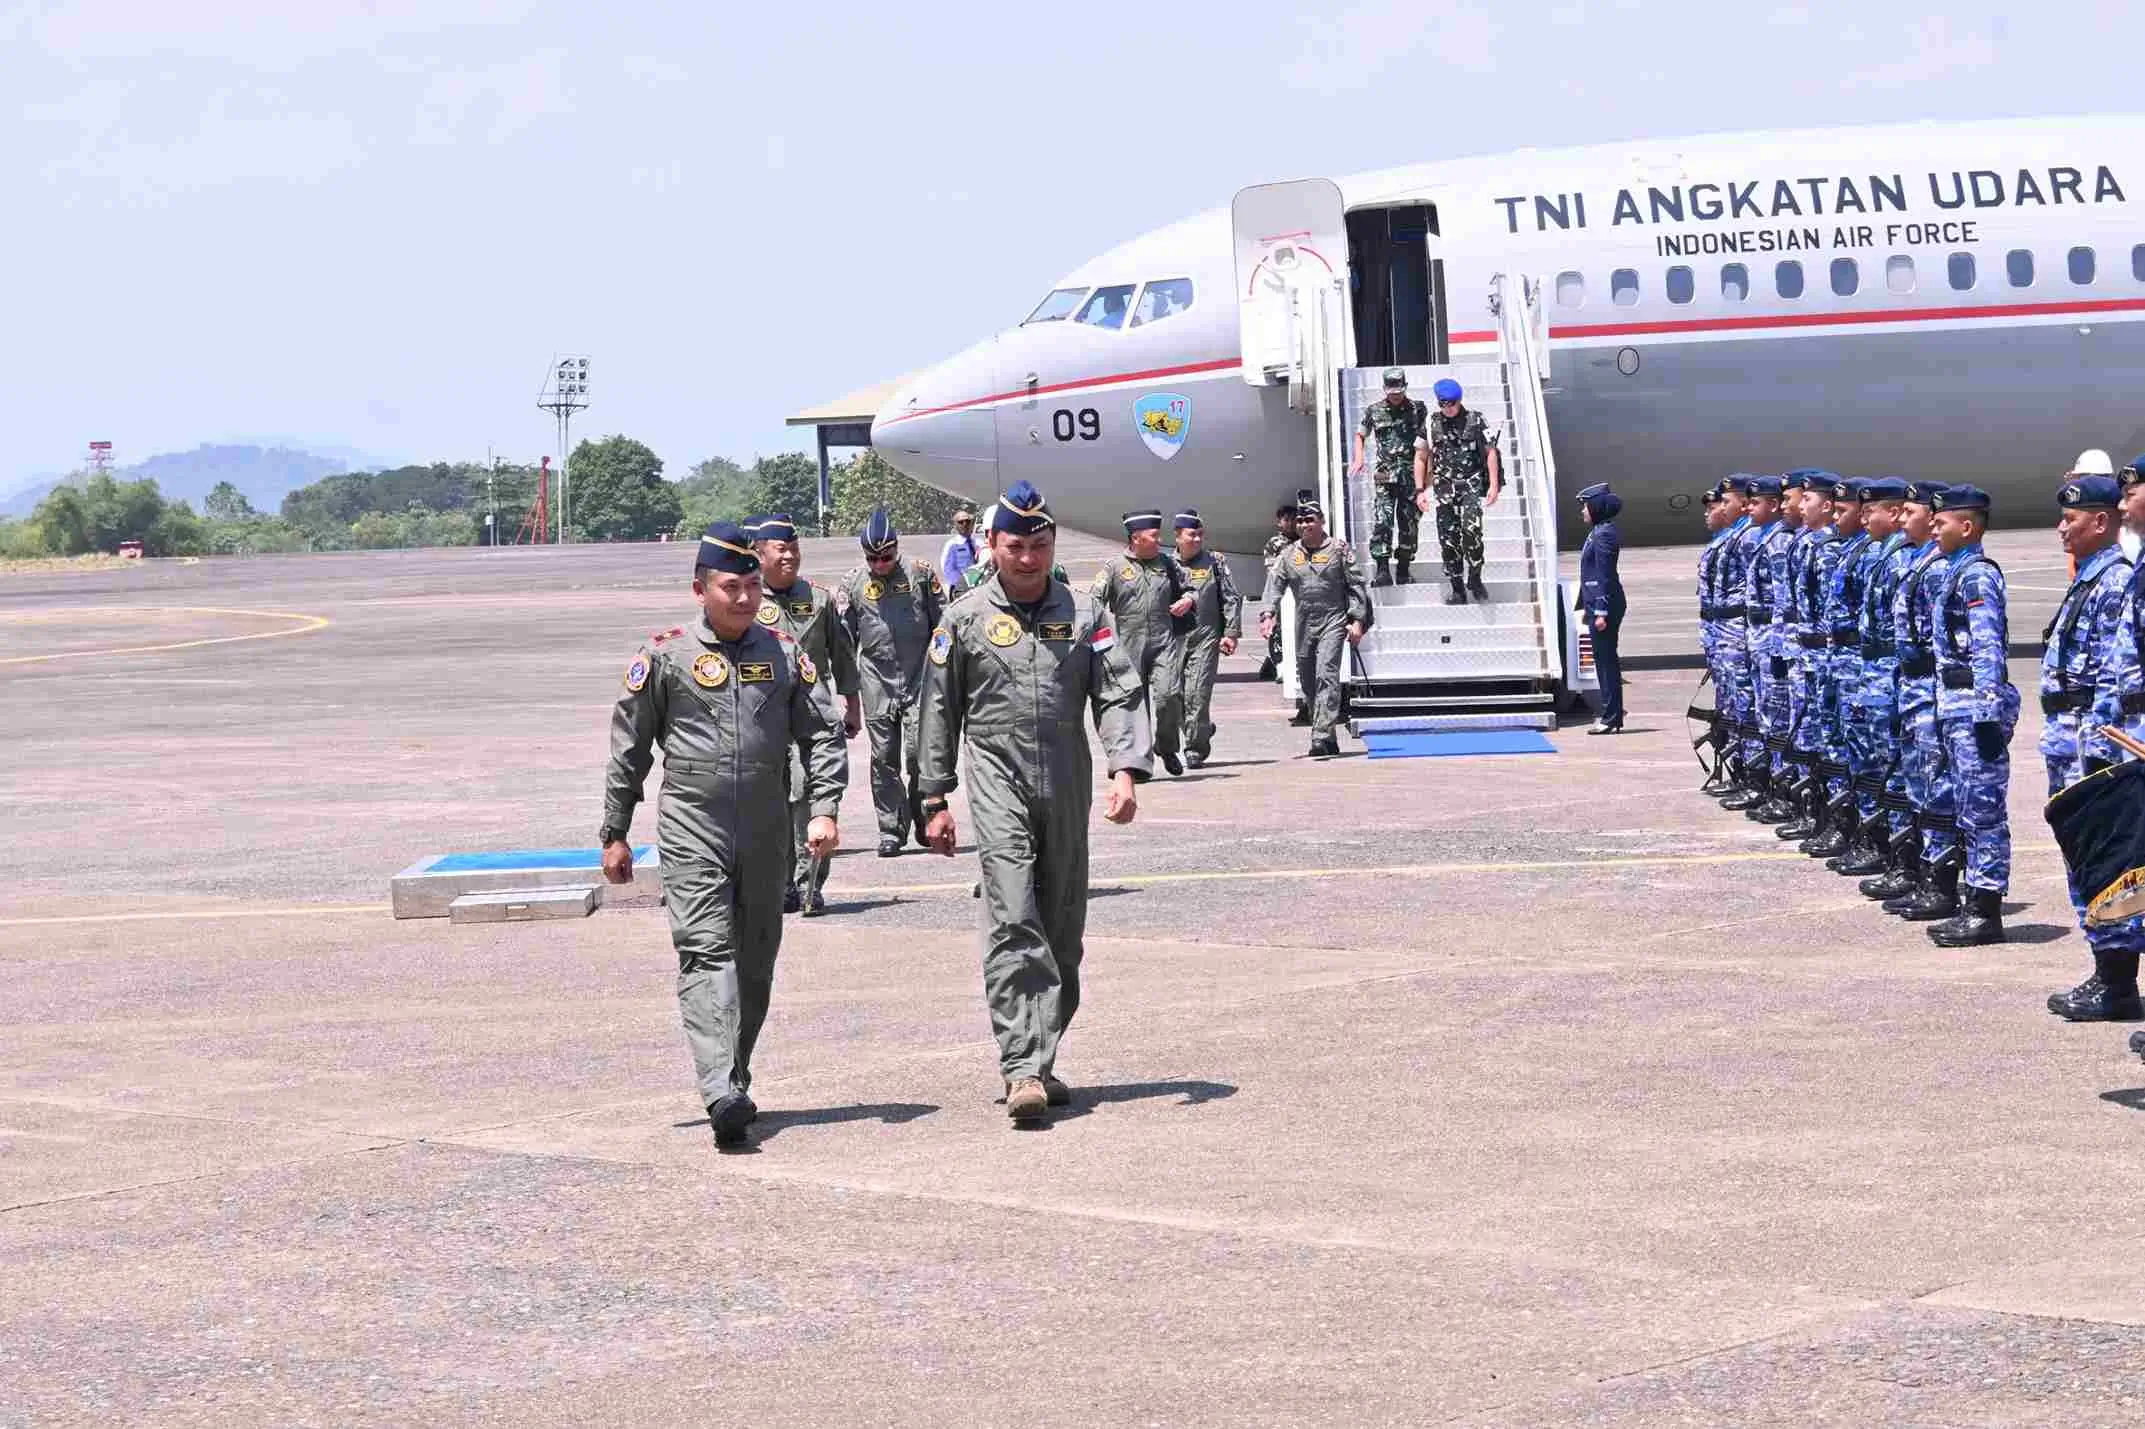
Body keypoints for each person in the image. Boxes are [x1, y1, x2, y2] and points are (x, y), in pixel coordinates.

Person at [599, 523, 848, 1147]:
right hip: (693, 823)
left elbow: (821, 733)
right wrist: (615, 830)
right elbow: (629, 750)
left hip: (766, 824)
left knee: (756, 959)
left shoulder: (785, 652)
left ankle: (733, 1074)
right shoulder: (665, 656)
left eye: (751, 586)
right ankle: (720, 1088)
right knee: (707, 950)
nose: (743, 599)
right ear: (699, 589)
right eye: (729, 587)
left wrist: (824, 809)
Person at [916, 480, 1152, 1122]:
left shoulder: (1084, 615)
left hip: (1067, 773)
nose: (1027, 559)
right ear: (991, 545)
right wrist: (934, 796)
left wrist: (1125, 770)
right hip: (996, 771)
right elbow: (938, 710)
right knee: (1014, 912)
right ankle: (1021, 1064)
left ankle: (1042, 1056)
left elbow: (1117, 692)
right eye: (1015, 546)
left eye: (1040, 546)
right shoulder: (962, 619)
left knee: (1063, 925)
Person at [2037, 475, 2141, 1019]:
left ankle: (2116, 980)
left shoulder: (2115, 581)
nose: (2061, 528)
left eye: (2070, 520)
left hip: (2092, 739)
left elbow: (2111, 674)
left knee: (2108, 859)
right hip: (2071, 734)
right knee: (2086, 856)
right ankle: (2107, 970)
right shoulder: (2092, 578)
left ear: (2099, 523)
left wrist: (2099, 748)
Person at [749, 514, 862, 915]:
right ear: (759, 555)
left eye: (794, 549)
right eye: (781, 550)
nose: (790, 557)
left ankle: (810, 885)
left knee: (815, 801)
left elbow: (842, 654)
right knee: (772, 803)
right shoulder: (747, 601)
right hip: (763, 718)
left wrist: (852, 703)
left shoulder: (818, 599)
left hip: (812, 716)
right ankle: (780, 886)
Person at [1924, 483, 2017, 946]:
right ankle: (1972, 902)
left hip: (1972, 710)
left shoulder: (1977, 575)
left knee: (1983, 812)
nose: (1933, 527)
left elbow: (1986, 651)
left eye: (1941, 522)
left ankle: (1986, 911)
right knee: (1964, 807)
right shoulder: (1955, 572)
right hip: (1953, 706)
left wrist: (1987, 717)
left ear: (1966, 525)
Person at [837, 507, 946, 857]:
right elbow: (843, 642)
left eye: (886, 557)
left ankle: (923, 821)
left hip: (918, 679)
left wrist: (946, 675)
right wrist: (847, 693)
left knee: (917, 756)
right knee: (884, 758)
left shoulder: (921, 575)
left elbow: (944, 628)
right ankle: (890, 831)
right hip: (876, 681)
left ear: (897, 550)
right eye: (873, 558)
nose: (880, 565)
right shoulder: (853, 583)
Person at [1865, 481, 1949, 911]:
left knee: (1938, 789)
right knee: (1908, 778)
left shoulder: (1944, 569)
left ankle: (1943, 883)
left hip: (1932, 693)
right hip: (1903, 683)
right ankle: (1911, 864)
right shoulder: (1908, 559)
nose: (1905, 520)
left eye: (1910, 512)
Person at [1258, 496, 1371, 758]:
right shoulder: (1289, 554)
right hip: (1304, 622)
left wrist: (1357, 621)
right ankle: (1328, 734)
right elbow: (1274, 585)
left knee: (1326, 674)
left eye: (1310, 519)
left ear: (1321, 522)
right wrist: (1268, 614)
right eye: (1300, 520)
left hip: (1333, 618)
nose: (1304, 524)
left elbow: (1357, 586)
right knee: (1307, 679)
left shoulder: (1338, 550)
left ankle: (1319, 734)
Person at [1091, 509, 1196, 774]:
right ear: (1136, 538)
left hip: (1164, 640)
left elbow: (1190, 588)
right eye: (1154, 536)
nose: (1159, 541)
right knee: (1135, 705)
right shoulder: (1114, 568)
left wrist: (1188, 600)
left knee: (1169, 695)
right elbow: (1094, 602)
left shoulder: (1168, 564)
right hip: (1128, 643)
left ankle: (1167, 746)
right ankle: (1139, 762)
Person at [1775, 471, 1841, 841]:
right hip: (1803, 652)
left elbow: (1832, 613)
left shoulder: (1828, 546)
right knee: (1805, 732)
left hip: (1820, 657)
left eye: (1805, 500)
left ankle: (1825, 817)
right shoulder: (1804, 541)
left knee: (1823, 737)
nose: (1798, 506)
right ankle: (1811, 809)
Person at [1720, 476, 1783, 813]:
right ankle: (1757, 779)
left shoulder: (1779, 540)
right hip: (1754, 636)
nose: (1746, 508)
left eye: (1753, 502)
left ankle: (1775, 788)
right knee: (1755, 709)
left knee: (1773, 715)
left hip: (1776, 642)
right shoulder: (1757, 538)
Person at [1166, 508, 1242, 767]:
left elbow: (1231, 597)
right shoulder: (1166, 565)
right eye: (1191, 535)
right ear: (1177, 536)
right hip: (1174, 640)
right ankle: (1200, 728)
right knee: (1173, 695)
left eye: (1200, 534)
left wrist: (1230, 633)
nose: (1197, 540)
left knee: (1197, 693)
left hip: (1205, 637)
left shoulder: (1214, 562)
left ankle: (1195, 748)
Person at [1419, 377, 1503, 605]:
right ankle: (1457, 588)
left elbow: (1490, 452)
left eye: (1452, 404)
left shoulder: (1475, 420)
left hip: (1470, 486)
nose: (1448, 409)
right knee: (1448, 539)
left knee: (1471, 533)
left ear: (1459, 400)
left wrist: (1494, 485)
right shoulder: (1430, 422)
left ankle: (1475, 577)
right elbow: (1420, 455)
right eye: (1443, 404)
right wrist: (1420, 490)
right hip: (1444, 488)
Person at [1349, 368, 1428, 587]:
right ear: (1384, 389)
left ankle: (1403, 569)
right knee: (1383, 521)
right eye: (1391, 391)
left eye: (1399, 390)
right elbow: (1360, 435)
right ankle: (1382, 569)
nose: (1395, 395)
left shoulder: (1418, 409)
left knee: (1409, 523)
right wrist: (1358, 458)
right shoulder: (1374, 411)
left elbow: (1426, 442)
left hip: (1411, 474)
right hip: (1385, 474)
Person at [1695, 480, 1738, 793]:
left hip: (1737, 637)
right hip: (1721, 635)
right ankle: (1738, 773)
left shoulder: (1744, 541)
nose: (1709, 514)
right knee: (1730, 708)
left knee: (1745, 711)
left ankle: (1750, 777)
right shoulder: (1722, 541)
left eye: (1714, 507)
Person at [1576, 482, 1624, 733]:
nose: (1582, 511)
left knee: (1606, 662)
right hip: (1597, 603)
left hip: (1605, 604)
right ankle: (1610, 714)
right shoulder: (1599, 530)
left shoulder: (1604, 534)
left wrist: (1601, 611)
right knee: (1602, 660)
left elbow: (1604, 574)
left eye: (1585, 506)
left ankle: (1610, 716)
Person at [1259, 502, 1299, 680]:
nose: (1290, 523)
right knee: (1279, 629)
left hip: (1300, 591)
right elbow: (1272, 570)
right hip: (1283, 591)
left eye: (1293, 520)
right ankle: (1279, 663)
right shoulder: (1274, 543)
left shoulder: (1302, 541)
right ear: (1279, 523)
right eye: (1286, 520)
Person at [939, 504, 980, 590]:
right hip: (961, 588)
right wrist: (961, 584)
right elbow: (948, 569)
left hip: (978, 587)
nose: (965, 524)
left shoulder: (978, 543)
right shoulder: (952, 545)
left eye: (967, 521)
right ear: (955, 525)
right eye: (960, 522)